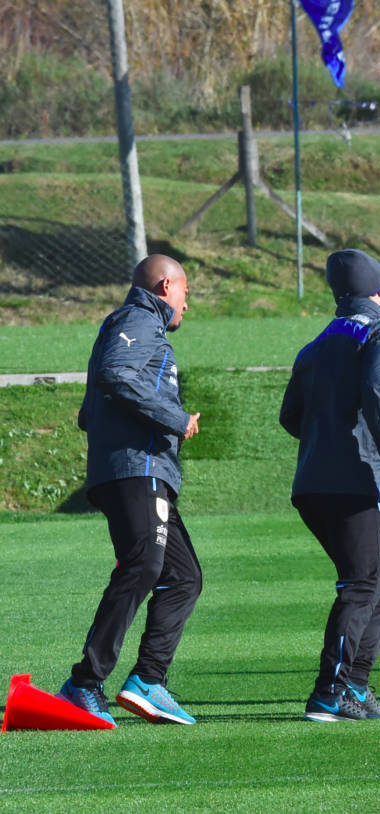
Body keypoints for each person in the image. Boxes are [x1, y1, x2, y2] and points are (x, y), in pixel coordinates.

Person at [60, 254, 202, 726]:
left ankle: (148, 681)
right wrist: (175, 419)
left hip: (135, 467)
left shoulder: (128, 325)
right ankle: (84, 682)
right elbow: (114, 376)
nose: (188, 303)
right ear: (165, 286)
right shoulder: (138, 320)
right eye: (185, 291)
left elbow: (89, 411)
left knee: (183, 577)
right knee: (144, 565)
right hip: (135, 468)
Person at [280, 249, 380, 722]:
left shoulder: (315, 345)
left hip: (311, 485)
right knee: (362, 586)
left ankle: (354, 685)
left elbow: (290, 417)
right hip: (355, 481)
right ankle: (330, 692)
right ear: (379, 292)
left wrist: (328, 438)